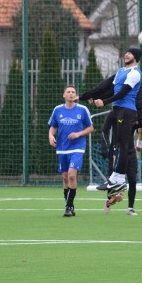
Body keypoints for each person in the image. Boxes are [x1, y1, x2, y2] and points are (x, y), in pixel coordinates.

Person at [80, 69, 142, 216]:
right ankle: (110, 199)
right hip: (116, 150)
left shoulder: (133, 115)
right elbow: (104, 130)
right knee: (114, 177)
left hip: (130, 151)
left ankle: (130, 207)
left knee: (132, 178)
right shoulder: (114, 113)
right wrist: (104, 148)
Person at [91, 48, 142, 209]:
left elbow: (122, 92)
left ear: (136, 57)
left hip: (127, 116)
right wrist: (100, 97)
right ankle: (116, 182)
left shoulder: (135, 73)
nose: (126, 54)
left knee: (123, 147)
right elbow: (113, 89)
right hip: (119, 114)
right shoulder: (121, 71)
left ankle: (120, 184)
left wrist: (104, 101)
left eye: (130, 53)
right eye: (125, 52)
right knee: (120, 146)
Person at [48, 85, 93, 217]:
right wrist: (51, 136)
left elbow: (90, 128)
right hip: (62, 148)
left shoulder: (83, 109)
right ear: (64, 95)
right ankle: (70, 205)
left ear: (75, 95)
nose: (71, 94)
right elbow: (53, 127)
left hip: (77, 147)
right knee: (65, 177)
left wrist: (78, 134)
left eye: (73, 92)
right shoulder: (57, 110)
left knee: (72, 175)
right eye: (68, 92)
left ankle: (68, 206)